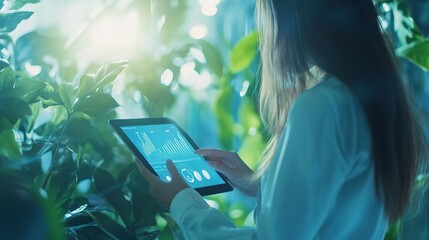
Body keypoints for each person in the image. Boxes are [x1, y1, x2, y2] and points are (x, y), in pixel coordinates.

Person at [137, 0, 428, 239]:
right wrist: (262, 185)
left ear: (292, 21)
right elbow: (338, 203)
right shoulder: (369, 97)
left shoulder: (321, 105)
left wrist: (182, 203)